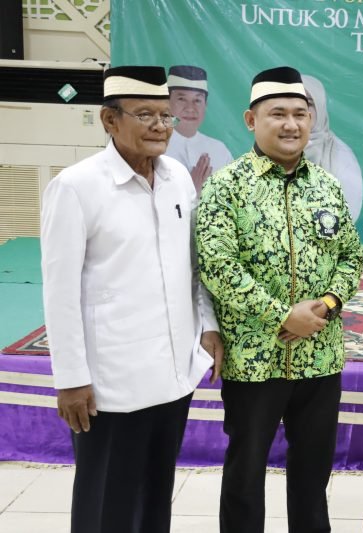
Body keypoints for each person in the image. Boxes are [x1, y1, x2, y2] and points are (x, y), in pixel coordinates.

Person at [40, 65, 224, 533]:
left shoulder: (179, 178)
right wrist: (71, 379)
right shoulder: (77, 187)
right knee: (107, 504)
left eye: (165, 115)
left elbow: (193, 265)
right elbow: (59, 290)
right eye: (146, 115)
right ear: (109, 120)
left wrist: (207, 326)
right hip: (110, 385)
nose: (162, 126)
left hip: (171, 376)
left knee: (154, 498)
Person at [195, 66, 363, 533]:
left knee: (313, 475)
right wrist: (281, 314)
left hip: (321, 359)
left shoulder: (326, 184)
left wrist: (326, 306)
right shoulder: (226, 186)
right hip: (254, 359)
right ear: (252, 120)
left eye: (299, 114)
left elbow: (351, 258)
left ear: (312, 119)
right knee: (245, 474)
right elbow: (218, 266)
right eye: (278, 114)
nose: (291, 124)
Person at [302, 73, 363, 221]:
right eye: (293, 100)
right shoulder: (274, 150)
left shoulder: (340, 155)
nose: (300, 109)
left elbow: (347, 217)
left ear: (320, 106)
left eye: (308, 103)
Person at [166, 65, 233, 193]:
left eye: (197, 100)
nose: (190, 108)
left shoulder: (220, 150)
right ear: (166, 103)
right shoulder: (152, 147)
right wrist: (192, 191)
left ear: (205, 105)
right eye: (182, 99)